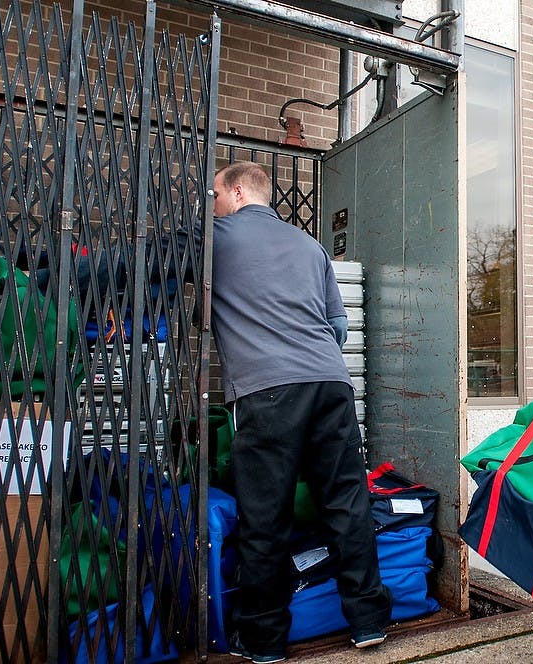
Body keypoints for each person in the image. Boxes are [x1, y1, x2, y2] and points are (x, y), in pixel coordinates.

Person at [207, 162, 392, 663]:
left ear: (238, 192)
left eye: (217, 195)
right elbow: (339, 327)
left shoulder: (216, 238)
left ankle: (265, 641)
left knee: (265, 514)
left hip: (268, 390)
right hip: (331, 383)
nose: (214, 204)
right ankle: (370, 620)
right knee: (347, 502)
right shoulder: (310, 246)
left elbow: (144, 263)